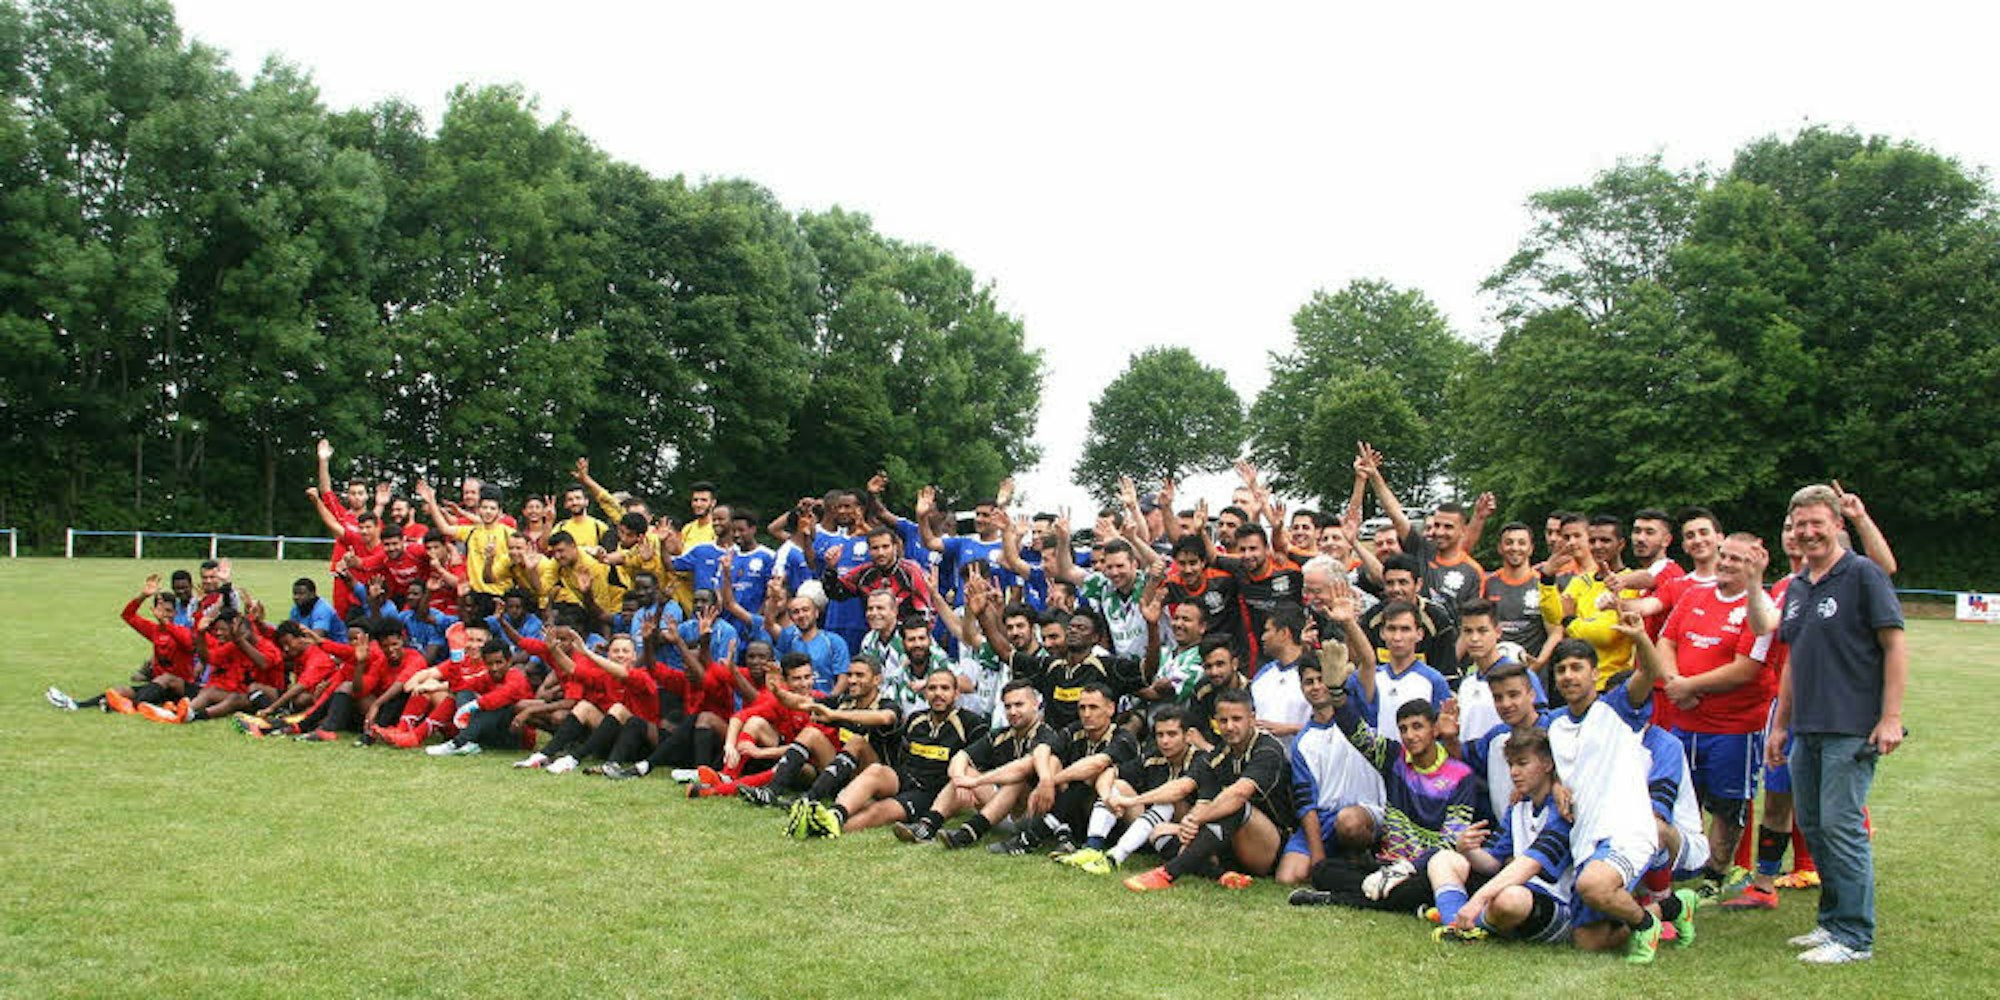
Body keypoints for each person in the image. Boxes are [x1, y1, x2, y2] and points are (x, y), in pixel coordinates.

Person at [1762, 483, 1906, 965]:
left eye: (1816, 523)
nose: (1808, 532)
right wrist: (1780, 726)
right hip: (1807, 728)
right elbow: (1793, 662)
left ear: (1837, 525)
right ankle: (1832, 922)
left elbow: (1894, 645)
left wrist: (1891, 717)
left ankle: (1855, 937)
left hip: (1852, 726)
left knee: (1842, 827)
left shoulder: (1862, 574)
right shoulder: (1799, 585)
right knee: (1815, 827)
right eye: (1799, 524)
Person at [1539, 627, 1692, 964]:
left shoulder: (1616, 709)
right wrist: (1556, 784)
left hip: (1626, 831)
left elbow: (1649, 672)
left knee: (1593, 885)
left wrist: (1640, 636)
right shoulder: (1554, 724)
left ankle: (1645, 926)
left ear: (1595, 673)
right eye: (1561, 670)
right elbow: (1554, 762)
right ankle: (1671, 907)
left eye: (1577, 667)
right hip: (1585, 839)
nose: (1568, 676)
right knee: (1589, 942)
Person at [1654, 531, 1776, 899]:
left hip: (1734, 727)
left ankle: (1716, 873)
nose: (1725, 563)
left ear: (1754, 565)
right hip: (1685, 722)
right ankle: (1683, 864)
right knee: (1679, 797)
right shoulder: (1694, 595)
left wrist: (1690, 687)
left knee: (1727, 804)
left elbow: (1746, 669)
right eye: (1724, 555)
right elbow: (1666, 641)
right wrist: (1675, 683)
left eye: (1737, 559)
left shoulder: (1759, 606)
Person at [1122, 690, 1291, 891]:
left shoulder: (1268, 749)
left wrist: (1195, 820)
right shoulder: (1220, 754)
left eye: (1237, 719)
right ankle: (1221, 875)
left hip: (1269, 845)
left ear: (1252, 719)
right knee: (1160, 833)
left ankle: (1167, 873)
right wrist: (1188, 826)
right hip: (1228, 840)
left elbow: (1239, 794)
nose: (1229, 726)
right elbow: (1200, 795)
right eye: (1223, 720)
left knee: (1234, 804)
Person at [1427, 728, 1580, 945]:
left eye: (1523, 764)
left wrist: (1478, 900)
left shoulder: (1562, 810)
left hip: (1553, 904)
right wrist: (1467, 850)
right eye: (1511, 765)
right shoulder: (1518, 806)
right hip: (1510, 891)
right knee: (1443, 859)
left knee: (1511, 899)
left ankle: (1465, 919)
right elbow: (1492, 862)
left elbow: (1530, 865)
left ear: (1547, 764)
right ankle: (1455, 924)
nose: (1514, 772)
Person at [808, 667, 988, 837]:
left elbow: (977, 765)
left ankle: (825, 828)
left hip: (932, 792)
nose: (938, 693)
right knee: (876, 770)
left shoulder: (971, 723)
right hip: (904, 777)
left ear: (956, 693)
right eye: (932, 688)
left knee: (879, 810)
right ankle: (835, 814)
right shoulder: (916, 719)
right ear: (925, 693)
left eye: (945, 688)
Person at [894, 680, 1058, 848]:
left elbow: (1021, 768)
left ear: (1035, 704)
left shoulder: (1047, 735)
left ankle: (966, 835)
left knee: (1016, 780)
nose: (1013, 711)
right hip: (1003, 811)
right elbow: (960, 757)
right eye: (1008, 706)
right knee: (964, 772)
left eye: (1019, 705)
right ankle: (927, 827)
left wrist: (975, 782)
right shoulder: (1000, 736)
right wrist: (960, 780)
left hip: (1034, 816)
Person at [985, 684, 1140, 856]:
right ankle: (1062, 833)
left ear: (1110, 708)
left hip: (1122, 814)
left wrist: (1050, 782)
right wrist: (1045, 779)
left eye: (1093, 707)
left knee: (1091, 775)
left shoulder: (1124, 739)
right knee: (1052, 761)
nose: (1086, 714)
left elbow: (1095, 764)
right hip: (1082, 809)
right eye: (1082, 708)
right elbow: (1043, 749)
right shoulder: (1075, 730)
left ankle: (1032, 836)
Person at [1274, 661, 1386, 886]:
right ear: (1301, 688)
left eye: (1321, 679)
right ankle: (1338, 864)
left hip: (1363, 813)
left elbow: (1367, 660)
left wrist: (1348, 631)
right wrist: (1318, 858)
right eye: (1309, 682)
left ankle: (1363, 859)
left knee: (1348, 823)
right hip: (1324, 819)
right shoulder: (1302, 742)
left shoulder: (1356, 717)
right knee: (1287, 878)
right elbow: (1306, 805)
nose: (1316, 686)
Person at [1053, 705, 1199, 874]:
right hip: (1151, 825)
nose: (1165, 741)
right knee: (1117, 786)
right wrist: (1108, 798)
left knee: (1167, 803)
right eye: (1160, 735)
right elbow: (1110, 772)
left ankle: (1114, 858)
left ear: (1188, 736)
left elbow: (1179, 790)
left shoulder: (1201, 759)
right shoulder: (1153, 756)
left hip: (1185, 831)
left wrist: (1132, 801)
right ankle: (1092, 848)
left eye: (1172, 734)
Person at [49, 574, 196, 719]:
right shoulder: (154, 630)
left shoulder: (182, 631)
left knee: (166, 678)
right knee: (120, 690)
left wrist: (165, 623)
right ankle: (78, 705)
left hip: (180, 688)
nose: (164, 614)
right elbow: (128, 615)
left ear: (176, 612)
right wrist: (143, 596)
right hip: (157, 688)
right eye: (161, 610)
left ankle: (130, 706)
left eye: (168, 611)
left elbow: (188, 644)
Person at [1348, 600, 1453, 737]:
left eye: (1405, 629)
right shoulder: (1369, 677)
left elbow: (1441, 733)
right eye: (1391, 629)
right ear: (1382, 633)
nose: (1397, 637)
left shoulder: (1434, 680)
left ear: (1419, 634)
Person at [1453, 599, 1546, 741]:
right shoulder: (1467, 683)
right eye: (1468, 631)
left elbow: (1540, 725)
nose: (1474, 638)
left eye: (1482, 630)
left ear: (1498, 632)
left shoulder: (1521, 675)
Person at [1359, 556, 1460, 681]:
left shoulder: (1438, 619)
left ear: (1418, 585)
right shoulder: (1371, 618)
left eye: (1403, 582)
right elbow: (1363, 666)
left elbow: (1447, 673)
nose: (1396, 589)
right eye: (1390, 583)